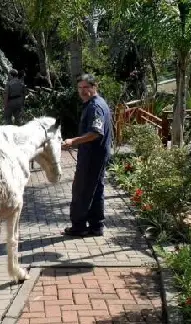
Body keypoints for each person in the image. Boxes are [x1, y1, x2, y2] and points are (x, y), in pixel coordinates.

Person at [61, 73, 113, 237]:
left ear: (94, 87)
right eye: (80, 88)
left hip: (92, 156)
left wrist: (72, 141)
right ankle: (96, 226)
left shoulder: (95, 107)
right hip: (96, 154)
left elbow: (95, 133)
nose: (83, 91)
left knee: (81, 190)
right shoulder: (96, 103)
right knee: (96, 189)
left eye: (86, 87)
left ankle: (79, 226)